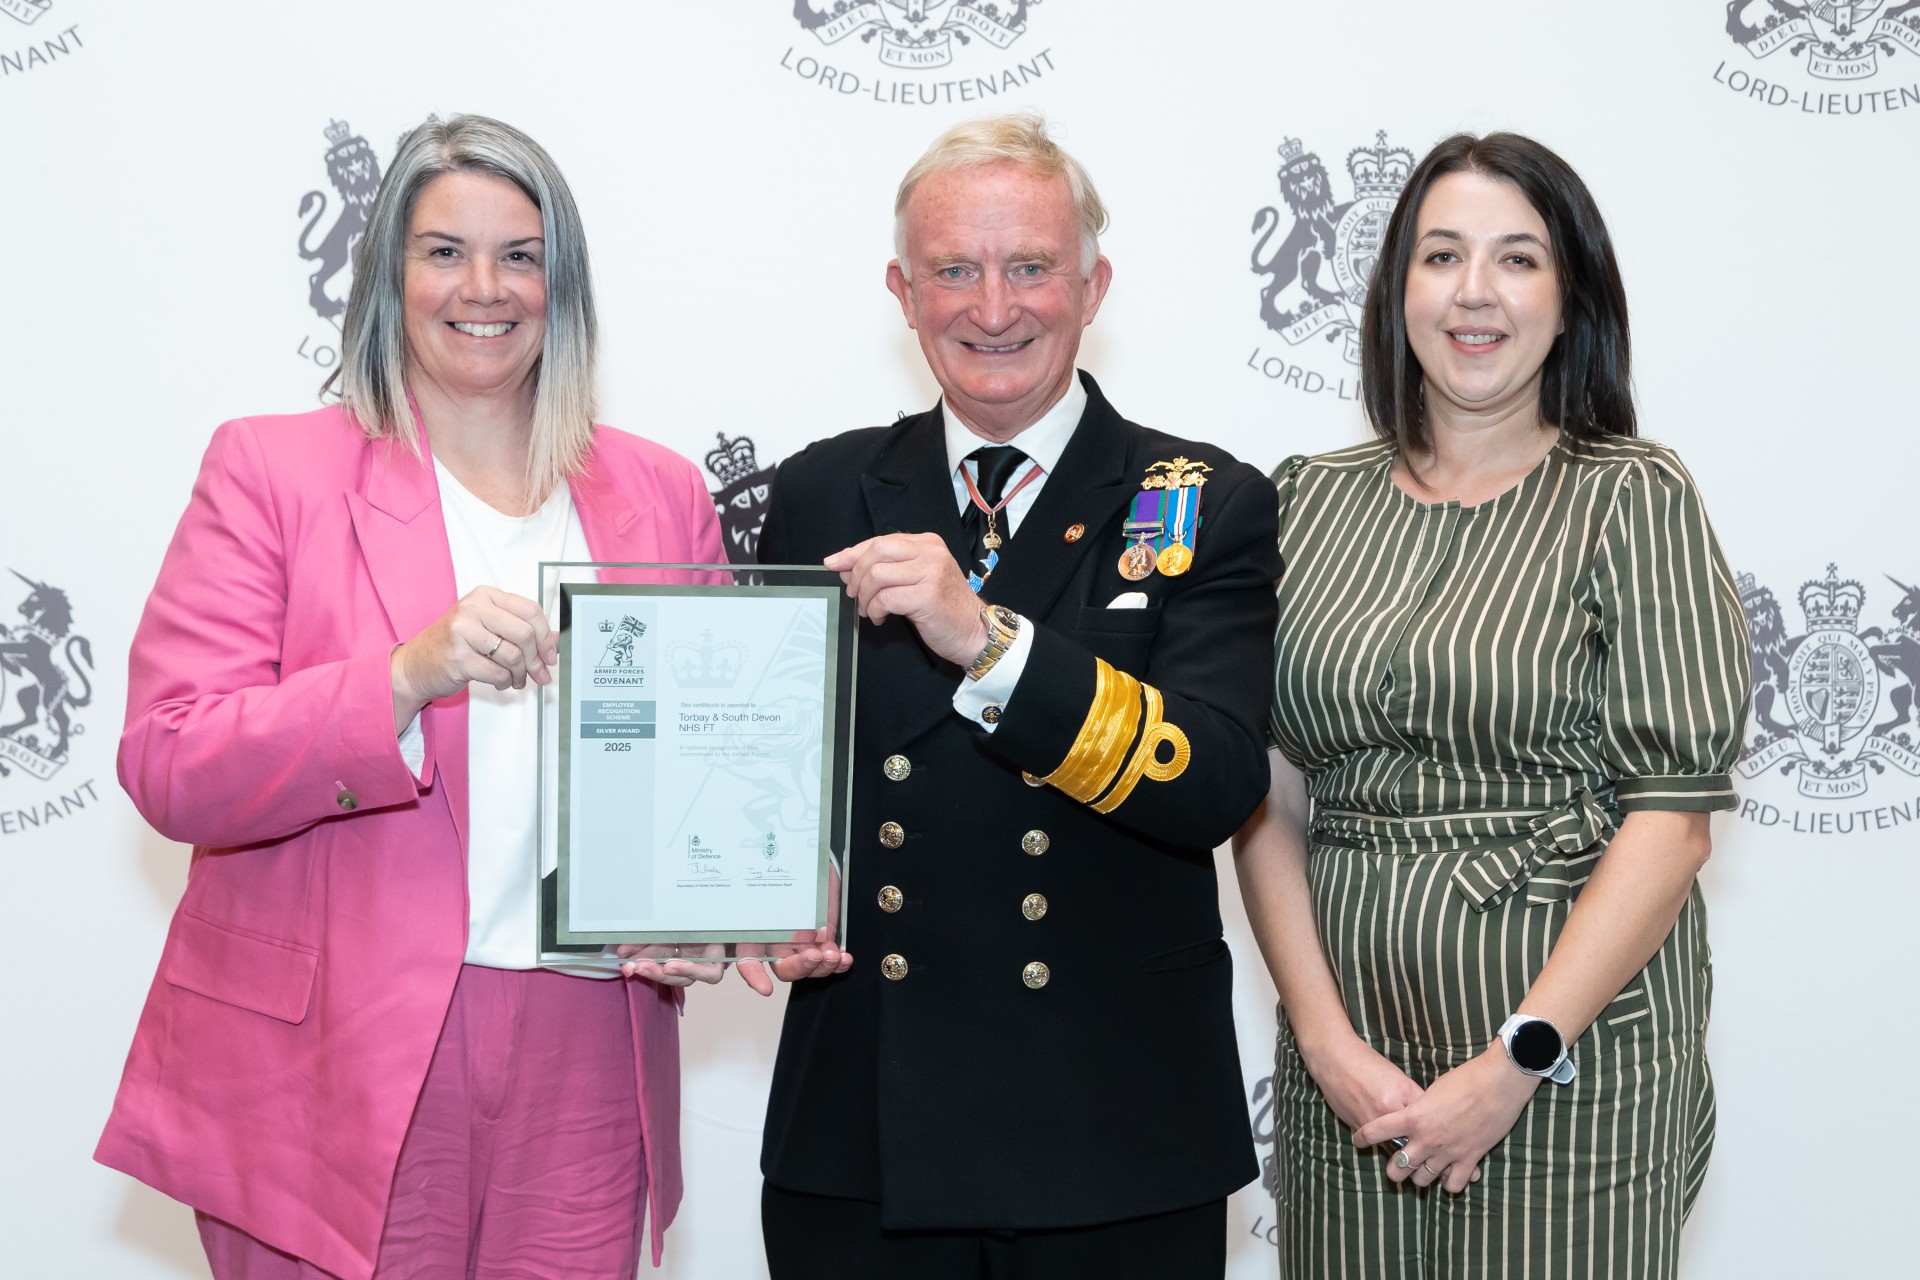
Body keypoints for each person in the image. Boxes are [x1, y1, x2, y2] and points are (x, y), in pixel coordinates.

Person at [94, 114, 724, 1280]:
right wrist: (400, 678)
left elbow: (715, 777)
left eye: (520, 255)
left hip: (588, 1047)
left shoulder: (661, 492)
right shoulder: (271, 468)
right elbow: (170, 759)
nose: (482, 288)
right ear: (387, 271)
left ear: (562, 283)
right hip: (336, 1054)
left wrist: (728, 898)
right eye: (443, 251)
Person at [743, 112, 1278, 1280]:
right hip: (864, 1131)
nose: (994, 307)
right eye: (954, 270)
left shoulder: (1201, 496)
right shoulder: (823, 489)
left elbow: (1219, 780)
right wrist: (750, 880)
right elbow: (765, 760)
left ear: (1094, 285)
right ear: (902, 288)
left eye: (1031, 266)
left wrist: (987, 641)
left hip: (1115, 1130)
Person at [1232, 132, 1751, 1279]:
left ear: (1571, 300)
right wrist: (1322, 1040)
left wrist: (1515, 1059)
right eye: (1441, 255)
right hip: (1351, 1072)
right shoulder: (1305, 500)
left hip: (1574, 1069)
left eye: (1517, 259)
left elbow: (1672, 820)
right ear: (1395, 291)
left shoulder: (1634, 496)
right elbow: (1262, 789)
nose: (1475, 292)